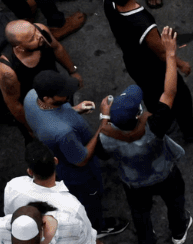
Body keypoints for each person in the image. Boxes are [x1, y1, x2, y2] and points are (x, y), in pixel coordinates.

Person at [104, 0, 193, 141]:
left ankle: (165, 122)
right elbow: (162, 53)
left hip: (133, 63)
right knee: (180, 95)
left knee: (150, 94)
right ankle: (191, 129)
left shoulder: (108, 2)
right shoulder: (143, 22)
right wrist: (181, 63)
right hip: (154, 67)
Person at [100, 65, 193, 244]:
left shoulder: (105, 137)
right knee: (175, 201)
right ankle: (178, 232)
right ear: (138, 114)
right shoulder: (154, 126)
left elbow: (101, 153)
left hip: (134, 184)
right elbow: (169, 93)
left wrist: (104, 119)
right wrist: (170, 56)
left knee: (140, 214)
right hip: (165, 174)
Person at [22, 70, 124, 235]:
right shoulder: (63, 133)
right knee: (90, 200)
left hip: (58, 158)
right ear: (47, 98)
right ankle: (98, 228)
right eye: (62, 94)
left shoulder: (31, 96)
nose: (67, 95)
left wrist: (74, 110)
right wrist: (103, 123)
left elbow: (50, 115)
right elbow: (82, 159)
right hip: (80, 174)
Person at [0, 19, 83, 127]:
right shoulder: (7, 71)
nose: (39, 36)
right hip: (39, 107)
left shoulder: (41, 30)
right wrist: (31, 127)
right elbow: (14, 104)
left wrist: (73, 71)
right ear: (20, 48)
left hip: (58, 90)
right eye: (32, 38)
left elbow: (57, 48)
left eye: (35, 30)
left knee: (73, 119)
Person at [5, 145, 89, 220]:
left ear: (30, 172)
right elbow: (87, 232)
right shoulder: (73, 205)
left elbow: (9, 215)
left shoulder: (13, 185)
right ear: (55, 161)